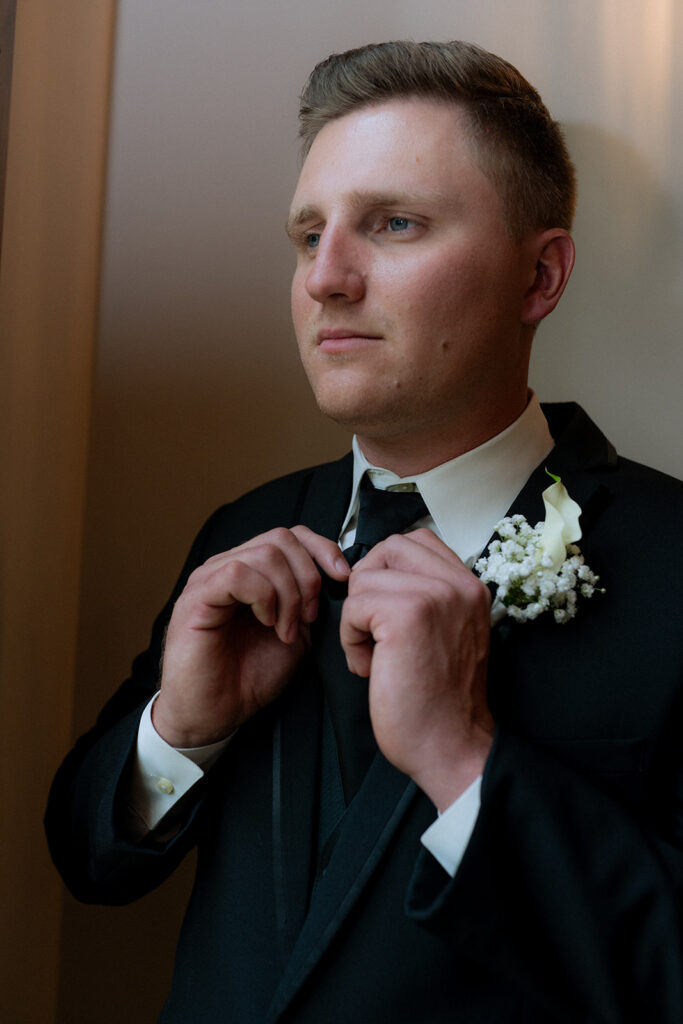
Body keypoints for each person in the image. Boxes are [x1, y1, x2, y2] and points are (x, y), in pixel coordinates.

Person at [46, 40, 683, 1023]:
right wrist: (181, 729)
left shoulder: (673, 558)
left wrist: (463, 758)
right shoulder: (245, 529)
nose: (324, 280)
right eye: (307, 237)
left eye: (392, 223)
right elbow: (89, 857)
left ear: (539, 275)